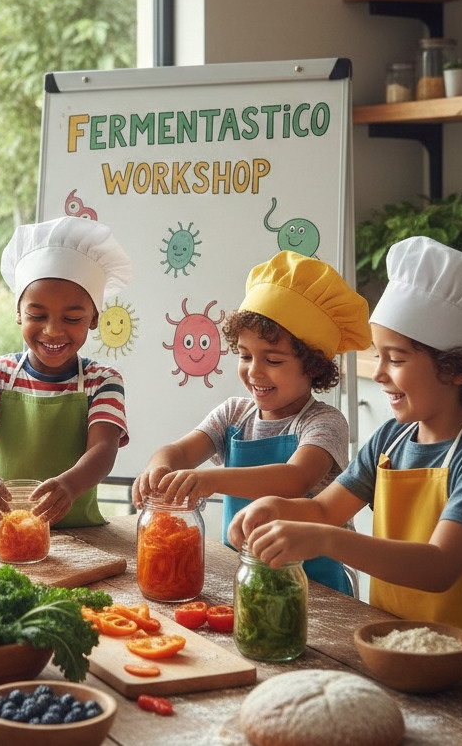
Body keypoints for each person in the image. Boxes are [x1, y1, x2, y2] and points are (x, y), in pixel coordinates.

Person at [229, 236, 462, 667]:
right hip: (390, 649)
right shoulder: (390, 441)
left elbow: (439, 566)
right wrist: (273, 508)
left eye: (395, 359)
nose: (377, 373)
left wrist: (322, 540)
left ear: (459, 369)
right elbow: (324, 510)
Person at [132, 250, 371, 594]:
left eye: (272, 359)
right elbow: (179, 453)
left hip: (315, 586)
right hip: (246, 576)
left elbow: (294, 479)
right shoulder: (234, 414)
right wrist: (159, 469)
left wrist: (207, 481)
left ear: (314, 366)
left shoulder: (324, 422)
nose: (254, 371)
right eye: (244, 355)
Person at [0, 215, 132, 527]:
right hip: (3, 530)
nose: (52, 330)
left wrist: (70, 485)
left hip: (82, 534)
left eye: (72, 318)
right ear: (19, 314)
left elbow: (104, 448)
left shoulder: (102, 381)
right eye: (37, 314)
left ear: (93, 318)